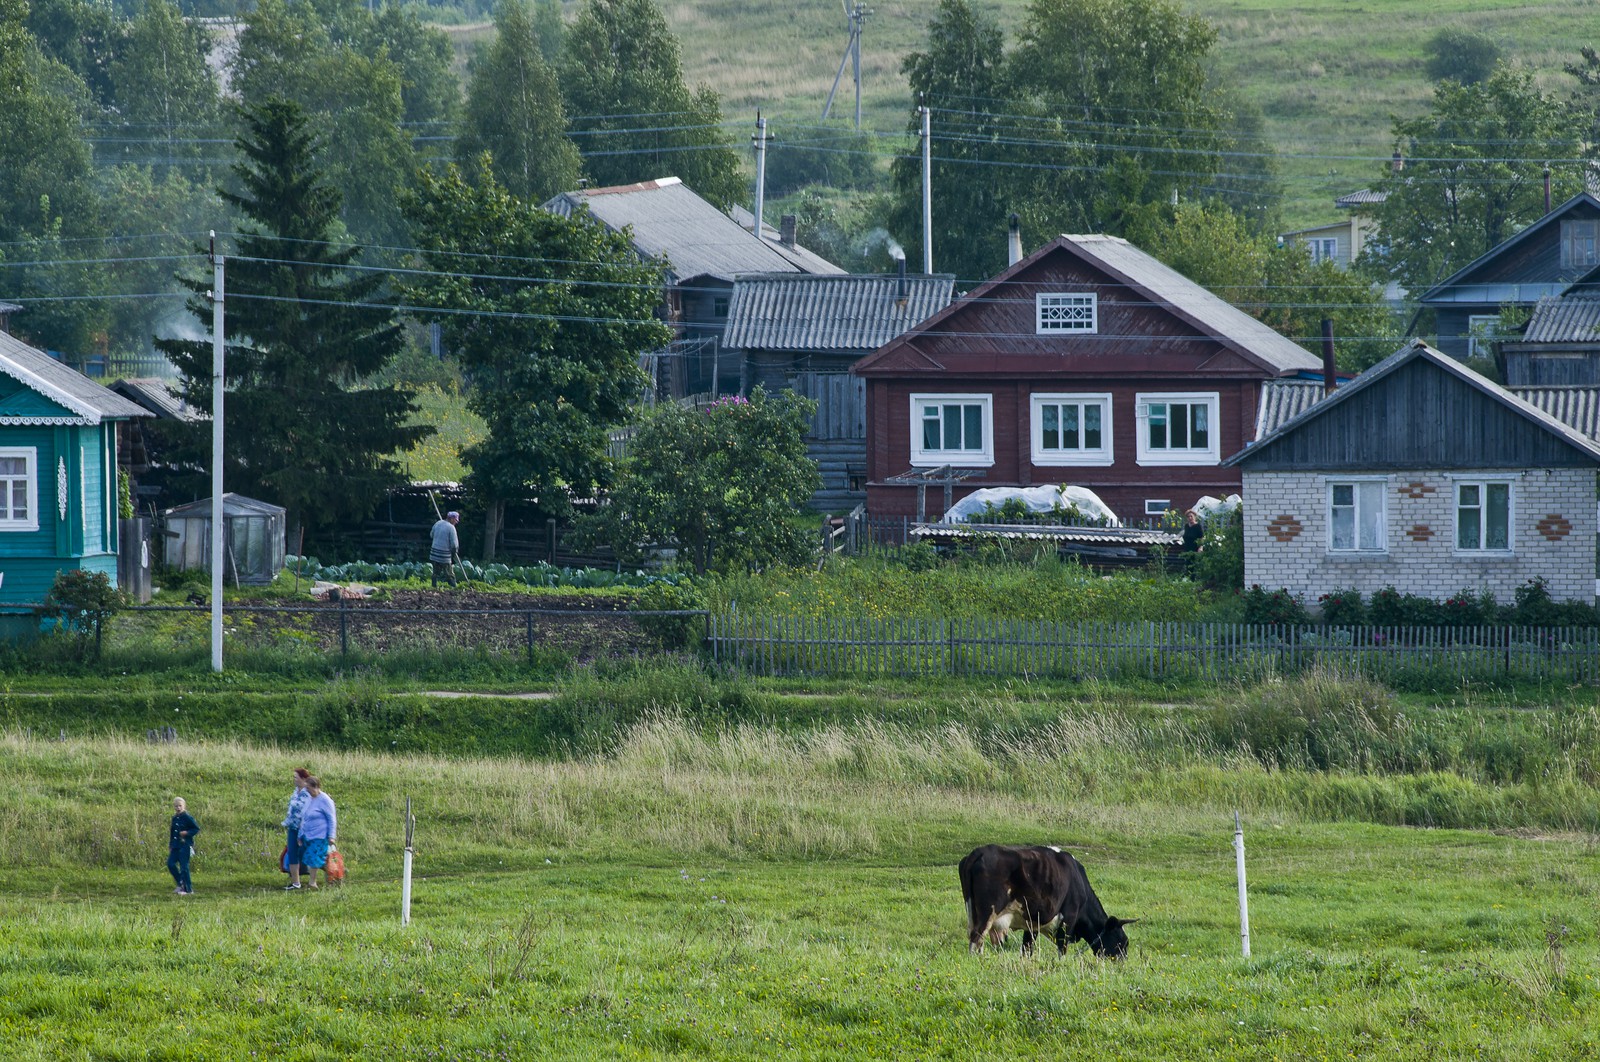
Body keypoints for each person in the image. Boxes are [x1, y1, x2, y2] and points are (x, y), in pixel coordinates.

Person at [298, 776, 337, 889]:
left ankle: (312, 883)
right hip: (308, 835)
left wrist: (331, 836)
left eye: (309, 788)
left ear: (316, 787)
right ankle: (335, 872)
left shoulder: (325, 800)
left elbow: (332, 819)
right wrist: (300, 834)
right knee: (314, 858)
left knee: (313, 857)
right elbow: (304, 817)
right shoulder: (308, 799)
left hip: (320, 835)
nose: (307, 791)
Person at [281, 768, 311, 890]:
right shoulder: (295, 792)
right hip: (293, 827)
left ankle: (332, 870)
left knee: (308, 852)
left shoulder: (308, 793)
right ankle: (295, 882)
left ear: (303, 778)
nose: (294, 779)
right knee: (292, 852)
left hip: (305, 828)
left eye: (296, 777)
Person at [167, 797, 200, 896]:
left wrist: (187, 832)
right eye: (176, 806)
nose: (178, 808)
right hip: (176, 845)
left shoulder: (187, 817)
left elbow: (196, 829)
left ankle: (188, 889)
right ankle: (180, 883)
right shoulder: (175, 818)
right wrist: (171, 844)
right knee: (170, 863)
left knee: (184, 867)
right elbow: (172, 832)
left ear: (184, 806)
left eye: (180, 806)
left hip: (185, 845)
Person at [430, 511, 461, 588]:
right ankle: (454, 587)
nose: (456, 522)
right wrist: (454, 552)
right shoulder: (451, 528)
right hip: (444, 555)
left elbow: (431, 535)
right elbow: (454, 544)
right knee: (449, 572)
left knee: (435, 572)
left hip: (434, 553)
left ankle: (434, 586)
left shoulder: (437, 523)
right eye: (455, 520)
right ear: (451, 518)